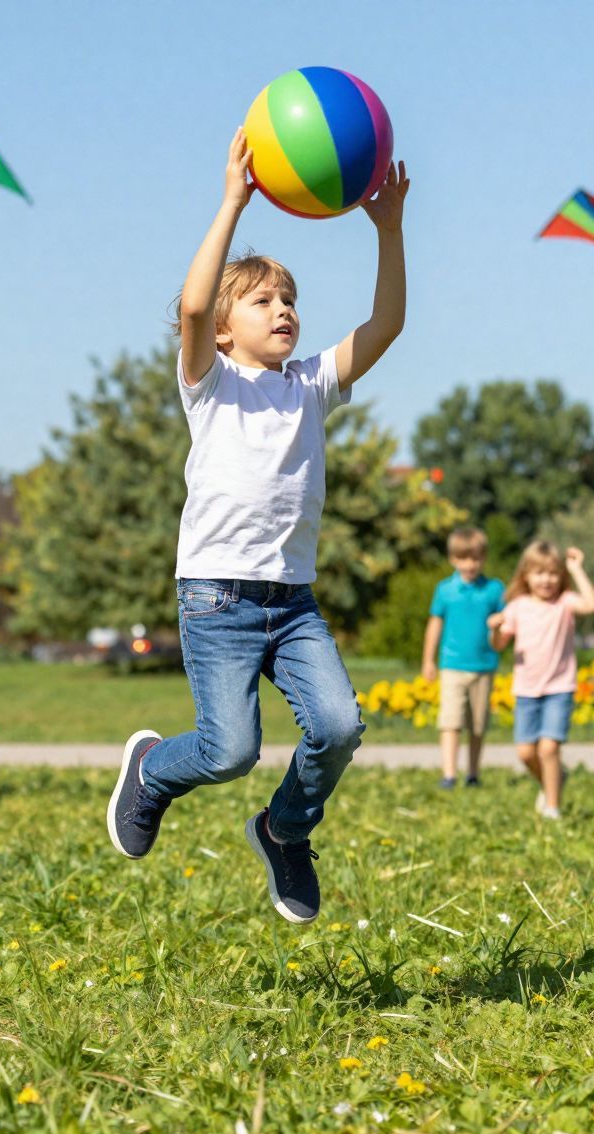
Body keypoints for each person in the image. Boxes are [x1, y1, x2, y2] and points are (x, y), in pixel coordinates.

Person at [105, 127, 411, 924]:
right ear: (226, 328)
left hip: (292, 602)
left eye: (290, 300)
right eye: (264, 300)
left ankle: (284, 831)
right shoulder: (210, 382)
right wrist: (233, 202)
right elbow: (196, 301)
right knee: (230, 751)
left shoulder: (310, 385)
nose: (283, 310)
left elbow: (386, 326)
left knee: (341, 725)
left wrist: (389, 228)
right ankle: (150, 772)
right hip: (216, 599)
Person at [490, 542, 594, 820]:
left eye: (552, 573)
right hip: (526, 690)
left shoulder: (564, 603)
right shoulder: (517, 607)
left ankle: (552, 807)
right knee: (527, 753)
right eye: (539, 573)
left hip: (559, 688)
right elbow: (499, 644)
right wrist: (493, 629)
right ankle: (553, 780)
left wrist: (576, 569)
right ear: (525, 575)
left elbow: (592, 604)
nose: (546, 580)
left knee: (549, 748)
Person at [421, 526, 506, 789]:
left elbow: (504, 624)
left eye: (476, 558)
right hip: (452, 665)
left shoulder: (494, 589)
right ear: (453, 559)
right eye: (464, 558)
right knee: (451, 721)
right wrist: (428, 660)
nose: (470, 564)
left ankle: (473, 774)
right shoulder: (445, 590)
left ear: (484, 558)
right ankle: (449, 774)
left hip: (484, 666)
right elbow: (435, 624)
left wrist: (500, 626)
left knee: (478, 725)